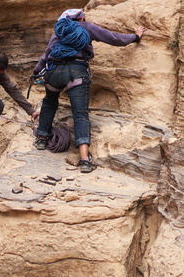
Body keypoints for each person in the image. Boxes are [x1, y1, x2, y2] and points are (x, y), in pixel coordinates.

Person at [33, 9, 147, 172]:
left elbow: (46, 55)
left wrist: (36, 72)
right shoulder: (86, 27)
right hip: (76, 71)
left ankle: (42, 139)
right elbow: (113, 38)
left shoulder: (59, 32)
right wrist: (135, 36)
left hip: (53, 72)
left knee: (49, 102)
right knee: (80, 113)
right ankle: (85, 160)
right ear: (80, 18)